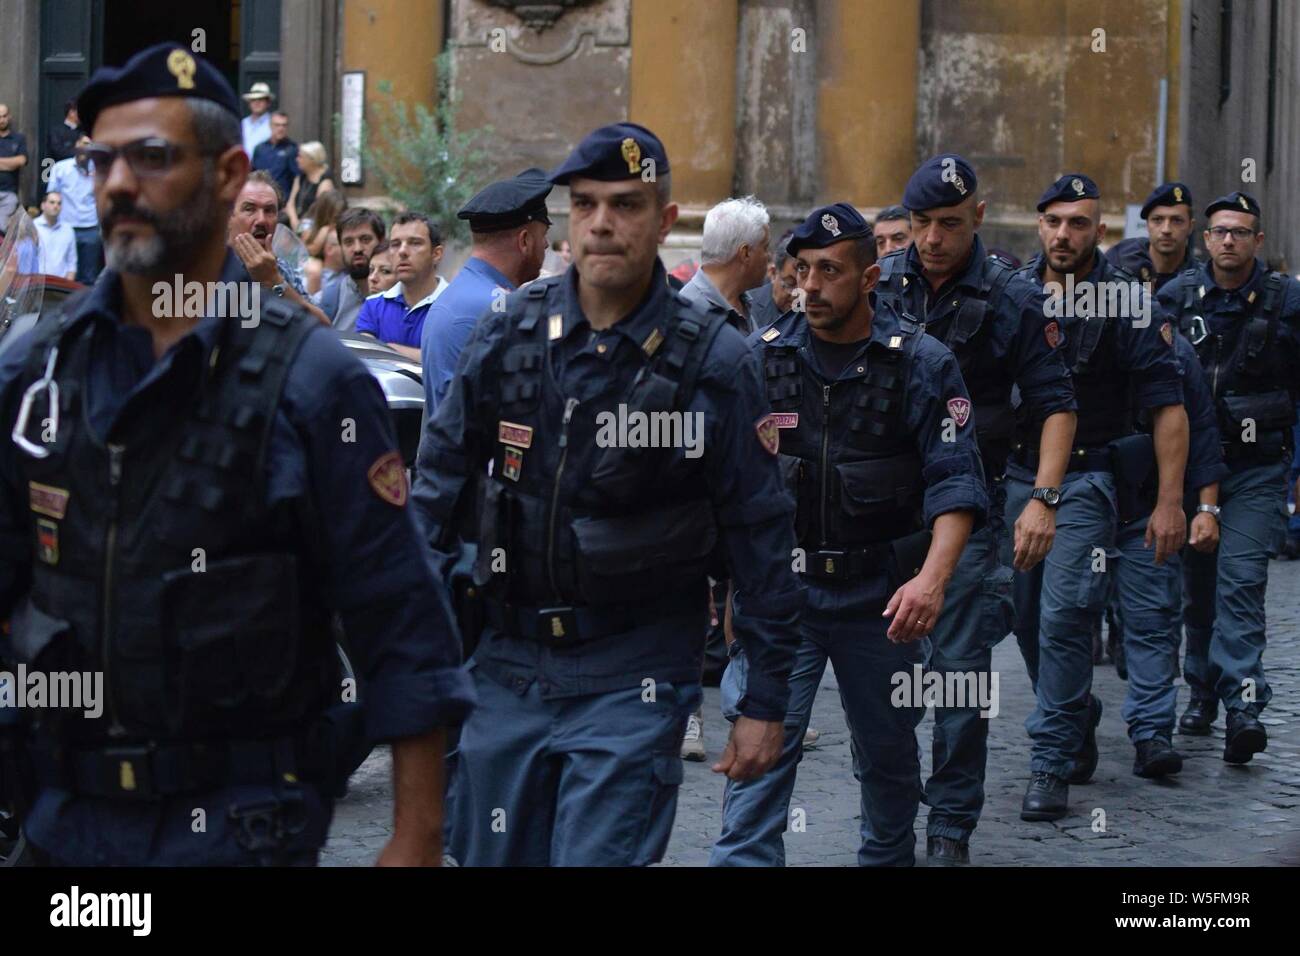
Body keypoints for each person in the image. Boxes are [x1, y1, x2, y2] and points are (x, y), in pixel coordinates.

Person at [0, 42, 473, 866]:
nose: (116, 182)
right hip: (64, 819)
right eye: (102, 159)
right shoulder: (39, 369)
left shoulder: (313, 381)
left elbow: (397, 612)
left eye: (151, 157)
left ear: (226, 174)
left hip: (233, 824)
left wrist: (417, 835)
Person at [412, 122, 801, 867]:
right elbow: (434, 493)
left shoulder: (715, 360)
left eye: (625, 204)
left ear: (665, 219)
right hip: (503, 664)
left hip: (634, 672)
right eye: (584, 203)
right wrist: (413, 655)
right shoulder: (509, 335)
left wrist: (765, 702)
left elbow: (760, 534)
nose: (600, 223)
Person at [711, 202, 986, 867]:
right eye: (800, 269)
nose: (809, 286)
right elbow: (728, 490)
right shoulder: (760, 359)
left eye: (829, 271)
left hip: (881, 604)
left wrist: (932, 579)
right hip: (786, 603)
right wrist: (726, 593)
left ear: (869, 279)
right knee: (758, 761)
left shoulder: (922, 364)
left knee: (890, 761)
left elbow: (957, 482)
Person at [873, 154, 1077, 864]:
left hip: (970, 504)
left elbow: (1055, 405)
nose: (932, 238)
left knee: (958, 671)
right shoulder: (882, 283)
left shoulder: (1014, 297)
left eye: (949, 224)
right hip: (884, 508)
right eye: (921, 223)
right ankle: (892, 810)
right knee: (887, 672)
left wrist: (1044, 500)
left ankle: (951, 824)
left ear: (978, 219)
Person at [1011, 174, 1187, 820]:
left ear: (1100, 231)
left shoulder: (1128, 304)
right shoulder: (1014, 294)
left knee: (1064, 618)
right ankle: (1075, 709)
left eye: (1078, 223)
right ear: (1039, 225)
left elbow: (1170, 408)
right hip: (1014, 476)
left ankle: (1051, 760)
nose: (1064, 234)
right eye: (1054, 221)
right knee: (1023, 619)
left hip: (1087, 479)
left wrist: (1172, 501)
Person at [1159, 191, 1300, 762]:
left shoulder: (1286, 302)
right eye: (1219, 231)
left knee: (1239, 583)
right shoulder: (1176, 298)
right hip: (1190, 469)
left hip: (1255, 469)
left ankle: (1243, 702)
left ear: (1257, 241)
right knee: (1196, 589)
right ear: (1206, 238)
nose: (1228, 241)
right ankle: (1200, 691)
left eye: (1240, 232)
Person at [420, 167, 551, 413]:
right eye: (543, 235)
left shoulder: (466, 293)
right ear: (524, 241)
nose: (546, 244)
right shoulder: (498, 308)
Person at [227, 169, 329, 325]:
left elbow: (323, 326)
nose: (261, 220)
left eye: (269, 211)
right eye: (249, 209)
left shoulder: (280, 266)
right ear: (228, 216)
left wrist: (274, 281)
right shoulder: (209, 267)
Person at [355, 212, 447, 360]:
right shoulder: (373, 305)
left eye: (415, 243)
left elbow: (450, 363)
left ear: (436, 254)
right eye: (395, 244)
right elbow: (366, 359)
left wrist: (389, 349)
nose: (402, 251)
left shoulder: (456, 306)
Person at [680, 196, 771, 335]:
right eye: (765, 247)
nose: (769, 256)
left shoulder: (744, 302)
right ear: (745, 253)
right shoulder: (688, 313)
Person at [1105, 182, 1199, 291]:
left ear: (1190, 226)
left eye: (1177, 221)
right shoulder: (1119, 260)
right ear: (1147, 225)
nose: (1166, 230)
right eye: (1157, 220)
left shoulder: (1199, 278)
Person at [316, 207, 384, 331]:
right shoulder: (329, 299)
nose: (357, 248)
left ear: (381, 241)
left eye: (365, 239)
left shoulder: (402, 296)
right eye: (348, 242)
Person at [46, 135, 101, 285]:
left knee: (88, 277)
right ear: (76, 145)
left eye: (90, 145)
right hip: (65, 226)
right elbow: (52, 195)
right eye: (83, 143)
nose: (85, 147)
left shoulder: (98, 170)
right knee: (63, 274)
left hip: (90, 228)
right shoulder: (60, 168)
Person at [287, 141, 335, 233]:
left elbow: (319, 213)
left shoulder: (325, 182)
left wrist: (300, 228)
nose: (297, 159)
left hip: (313, 229)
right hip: (296, 225)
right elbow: (290, 204)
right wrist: (295, 223)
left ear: (311, 159)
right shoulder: (300, 177)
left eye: (300, 157)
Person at [250, 111, 298, 200]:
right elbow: (252, 173)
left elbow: (297, 178)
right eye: (277, 125)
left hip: (282, 202)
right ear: (270, 126)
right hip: (259, 198)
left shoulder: (293, 149)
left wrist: (291, 203)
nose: (281, 128)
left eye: (284, 125)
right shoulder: (260, 148)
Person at [32, 191, 77, 280]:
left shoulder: (68, 230)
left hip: (60, 286)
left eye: (59, 203)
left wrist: (66, 288)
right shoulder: (32, 227)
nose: (56, 206)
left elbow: (72, 263)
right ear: (43, 205)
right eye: (52, 202)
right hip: (37, 284)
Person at [0, 103, 27, 230]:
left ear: (9, 116)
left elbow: (21, 161)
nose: (2, 120)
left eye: (4, 116)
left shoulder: (18, 138)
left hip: (9, 193)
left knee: (3, 230)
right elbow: (14, 162)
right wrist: (10, 163)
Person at [240, 81, 274, 156]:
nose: (257, 103)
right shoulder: (243, 123)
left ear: (268, 103)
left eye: (261, 100)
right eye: (253, 100)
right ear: (249, 104)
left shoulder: (273, 123)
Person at [45, 100, 83, 164]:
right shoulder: (56, 131)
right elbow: (58, 152)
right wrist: (78, 150)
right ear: (71, 113)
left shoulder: (85, 131)